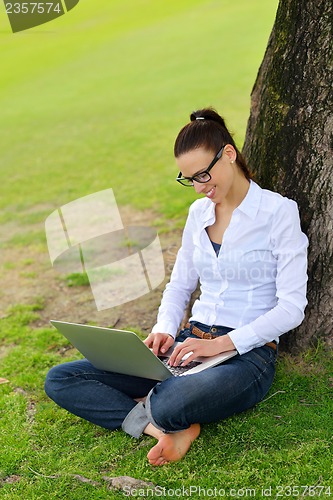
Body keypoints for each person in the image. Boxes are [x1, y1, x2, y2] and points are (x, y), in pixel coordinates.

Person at [45, 108, 308, 466]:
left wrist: (219, 344)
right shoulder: (198, 214)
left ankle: (154, 404)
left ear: (228, 154)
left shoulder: (278, 213)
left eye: (203, 174)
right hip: (186, 347)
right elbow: (180, 285)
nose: (200, 187)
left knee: (171, 400)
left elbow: (292, 307)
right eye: (190, 179)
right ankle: (160, 429)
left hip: (246, 354)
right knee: (62, 377)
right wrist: (164, 330)